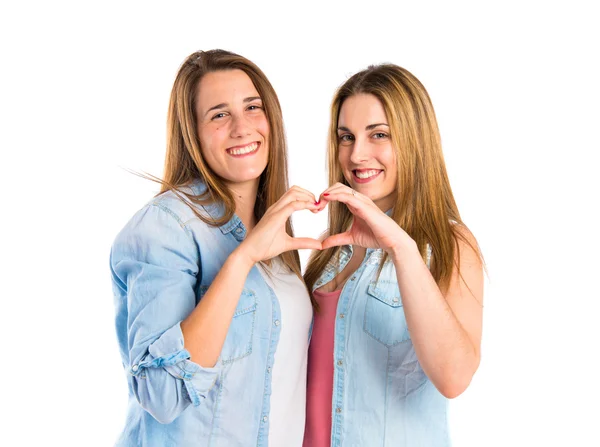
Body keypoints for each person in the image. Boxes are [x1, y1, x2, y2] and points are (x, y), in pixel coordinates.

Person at [110, 49, 322, 447]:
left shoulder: (272, 231)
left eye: (252, 107)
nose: (242, 127)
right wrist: (242, 259)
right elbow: (163, 395)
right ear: (192, 132)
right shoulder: (166, 227)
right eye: (220, 114)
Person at [303, 63, 485, 446]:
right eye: (346, 137)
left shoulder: (449, 244)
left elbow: (454, 377)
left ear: (414, 141)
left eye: (379, 135)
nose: (357, 155)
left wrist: (401, 247)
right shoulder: (330, 249)